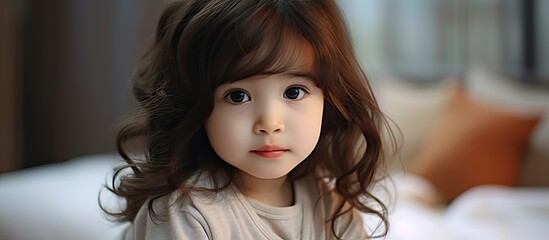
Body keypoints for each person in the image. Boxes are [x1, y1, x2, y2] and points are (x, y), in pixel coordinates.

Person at [104, 0, 392, 239]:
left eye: (294, 92)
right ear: (195, 104)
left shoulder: (332, 210)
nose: (269, 123)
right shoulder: (184, 213)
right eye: (238, 96)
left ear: (329, 99)